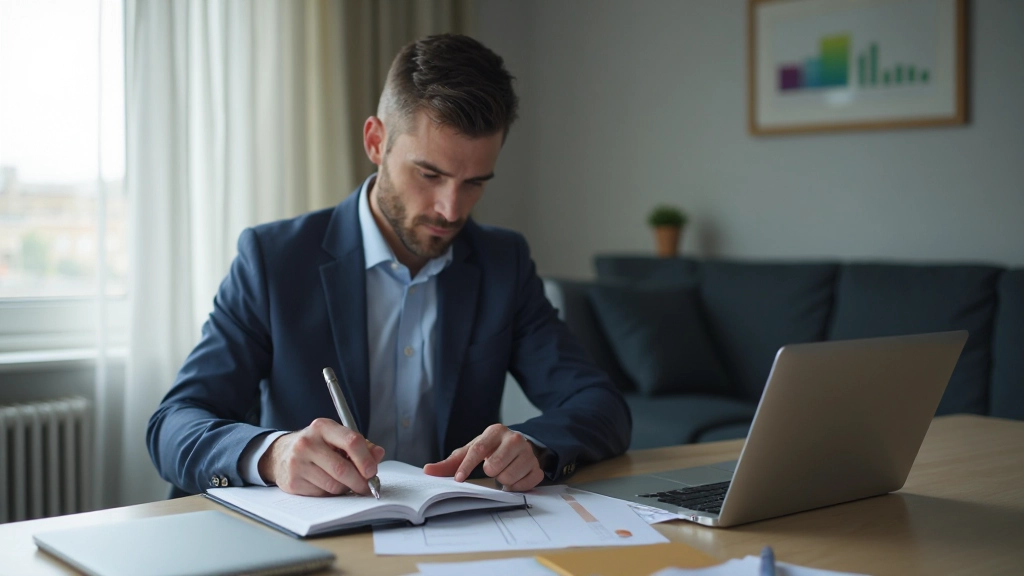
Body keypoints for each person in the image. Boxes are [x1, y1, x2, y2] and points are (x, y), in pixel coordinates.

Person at [147, 33, 631, 498]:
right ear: (376, 141)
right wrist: (274, 454)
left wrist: (536, 447)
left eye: (474, 182)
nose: (451, 209)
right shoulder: (274, 260)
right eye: (430, 174)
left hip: (456, 539)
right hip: (315, 540)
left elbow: (601, 406)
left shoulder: (503, 264)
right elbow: (175, 423)